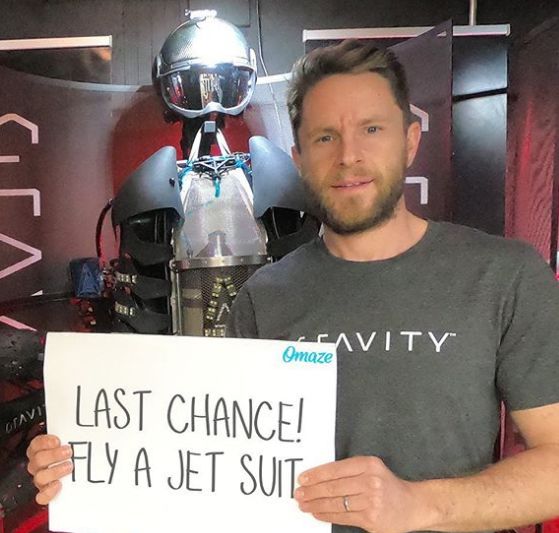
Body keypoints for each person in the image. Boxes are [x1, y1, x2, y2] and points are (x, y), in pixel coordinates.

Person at [27, 40, 559, 533]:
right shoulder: (264, 296)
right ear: (299, 157)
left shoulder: (503, 276)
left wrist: (419, 504)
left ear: (410, 140)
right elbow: (209, 462)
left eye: (372, 129)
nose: (348, 156)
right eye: (325, 136)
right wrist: (86, 464)